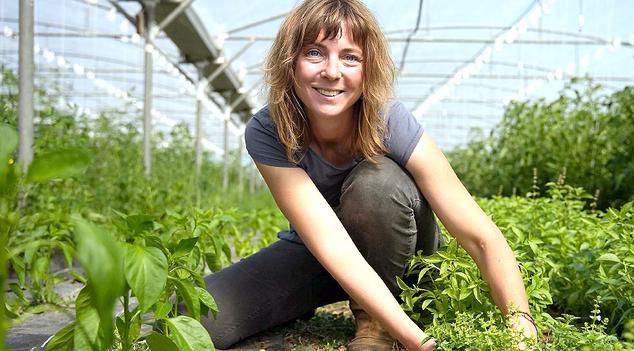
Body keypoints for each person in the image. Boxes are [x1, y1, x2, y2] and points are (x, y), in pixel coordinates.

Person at [201, 0, 538, 350]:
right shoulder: (269, 129)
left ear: (368, 68)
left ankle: (376, 323)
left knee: (376, 184)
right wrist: (419, 343)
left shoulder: (389, 122)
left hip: (402, 255)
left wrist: (520, 323)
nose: (332, 72)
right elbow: (331, 245)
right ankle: (312, 306)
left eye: (350, 57)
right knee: (194, 315)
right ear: (290, 63)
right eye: (314, 53)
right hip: (323, 253)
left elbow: (482, 237)